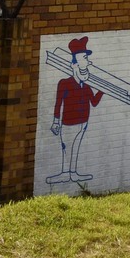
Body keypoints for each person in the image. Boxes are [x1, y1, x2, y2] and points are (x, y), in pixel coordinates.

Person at [48, 37, 104, 184]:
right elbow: (58, 103)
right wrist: (55, 122)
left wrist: (102, 90)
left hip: (83, 123)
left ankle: (73, 173)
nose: (88, 62)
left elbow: (94, 102)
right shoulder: (64, 83)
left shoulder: (86, 86)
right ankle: (65, 173)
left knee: (76, 148)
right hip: (68, 124)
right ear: (75, 63)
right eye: (84, 58)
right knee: (67, 148)